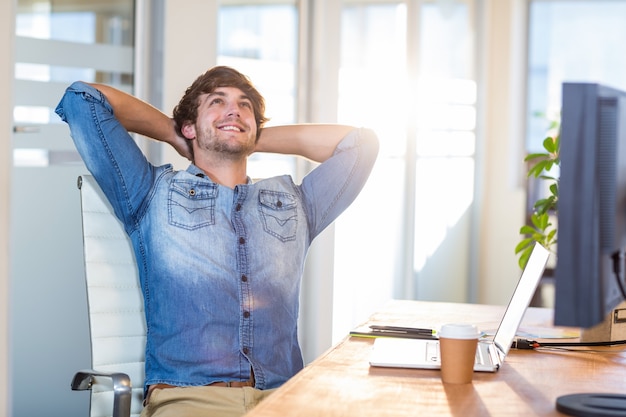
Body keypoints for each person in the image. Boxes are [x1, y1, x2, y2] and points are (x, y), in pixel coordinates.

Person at [55, 66, 378, 417]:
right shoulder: (150, 193)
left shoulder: (295, 202)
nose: (234, 110)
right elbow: (82, 100)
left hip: (285, 399)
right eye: (217, 102)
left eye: (244, 107)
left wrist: (246, 136)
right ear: (190, 126)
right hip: (192, 400)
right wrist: (174, 133)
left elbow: (361, 146)